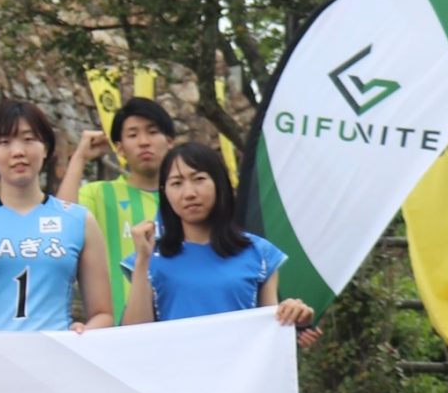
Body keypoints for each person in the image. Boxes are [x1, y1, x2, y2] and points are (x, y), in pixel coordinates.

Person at [0, 100, 112, 333]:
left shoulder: (79, 220)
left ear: (45, 148)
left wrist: (83, 332)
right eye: (4, 142)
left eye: (29, 139)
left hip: (53, 352)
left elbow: (103, 313)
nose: (18, 152)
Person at [122, 141, 314, 328]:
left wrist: (293, 313)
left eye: (199, 179)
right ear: (165, 192)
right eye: (176, 183)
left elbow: (269, 329)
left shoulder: (259, 253)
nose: (189, 193)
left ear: (219, 183)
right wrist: (142, 261)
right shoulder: (149, 258)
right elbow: (132, 335)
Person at [57, 95, 176, 320]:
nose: (143, 141)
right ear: (119, 148)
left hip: (178, 325)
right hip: (115, 331)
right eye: (133, 134)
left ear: (169, 141)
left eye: (152, 132)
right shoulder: (99, 194)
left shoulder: (185, 200)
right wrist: (80, 157)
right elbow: (61, 224)